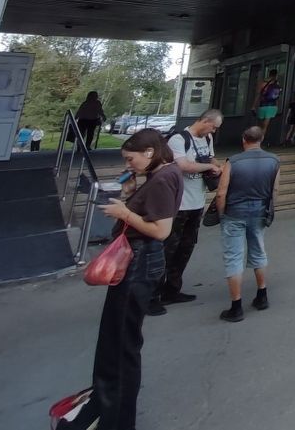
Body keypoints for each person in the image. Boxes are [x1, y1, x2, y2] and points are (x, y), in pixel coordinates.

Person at [59, 129, 183, 430]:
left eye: (131, 158)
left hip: (139, 263)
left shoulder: (163, 179)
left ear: (150, 152)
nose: (128, 164)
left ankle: (116, 418)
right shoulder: (160, 175)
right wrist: (130, 194)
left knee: (121, 344)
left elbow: (161, 231)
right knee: (116, 339)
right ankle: (107, 408)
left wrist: (124, 212)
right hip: (138, 261)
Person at [150, 110, 223, 314]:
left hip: (197, 203)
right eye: (213, 127)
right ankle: (152, 295)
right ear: (205, 120)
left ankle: (172, 289)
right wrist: (208, 166)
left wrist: (218, 166)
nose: (213, 131)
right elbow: (183, 166)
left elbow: (211, 158)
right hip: (178, 204)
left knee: (185, 248)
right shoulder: (179, 139)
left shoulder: (207, 139)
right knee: (167, 249)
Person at [216, 126, 280, 323]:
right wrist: (269, 210)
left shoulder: (233, 161)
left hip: (234, 212)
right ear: (262, 139)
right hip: (259, 211)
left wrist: (221, 213)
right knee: (258, 251)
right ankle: (262, 295)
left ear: (244, 139)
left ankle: (236, 306)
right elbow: (275, 190)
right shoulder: (274, 160)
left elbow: (221, 192)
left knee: (234, 257)